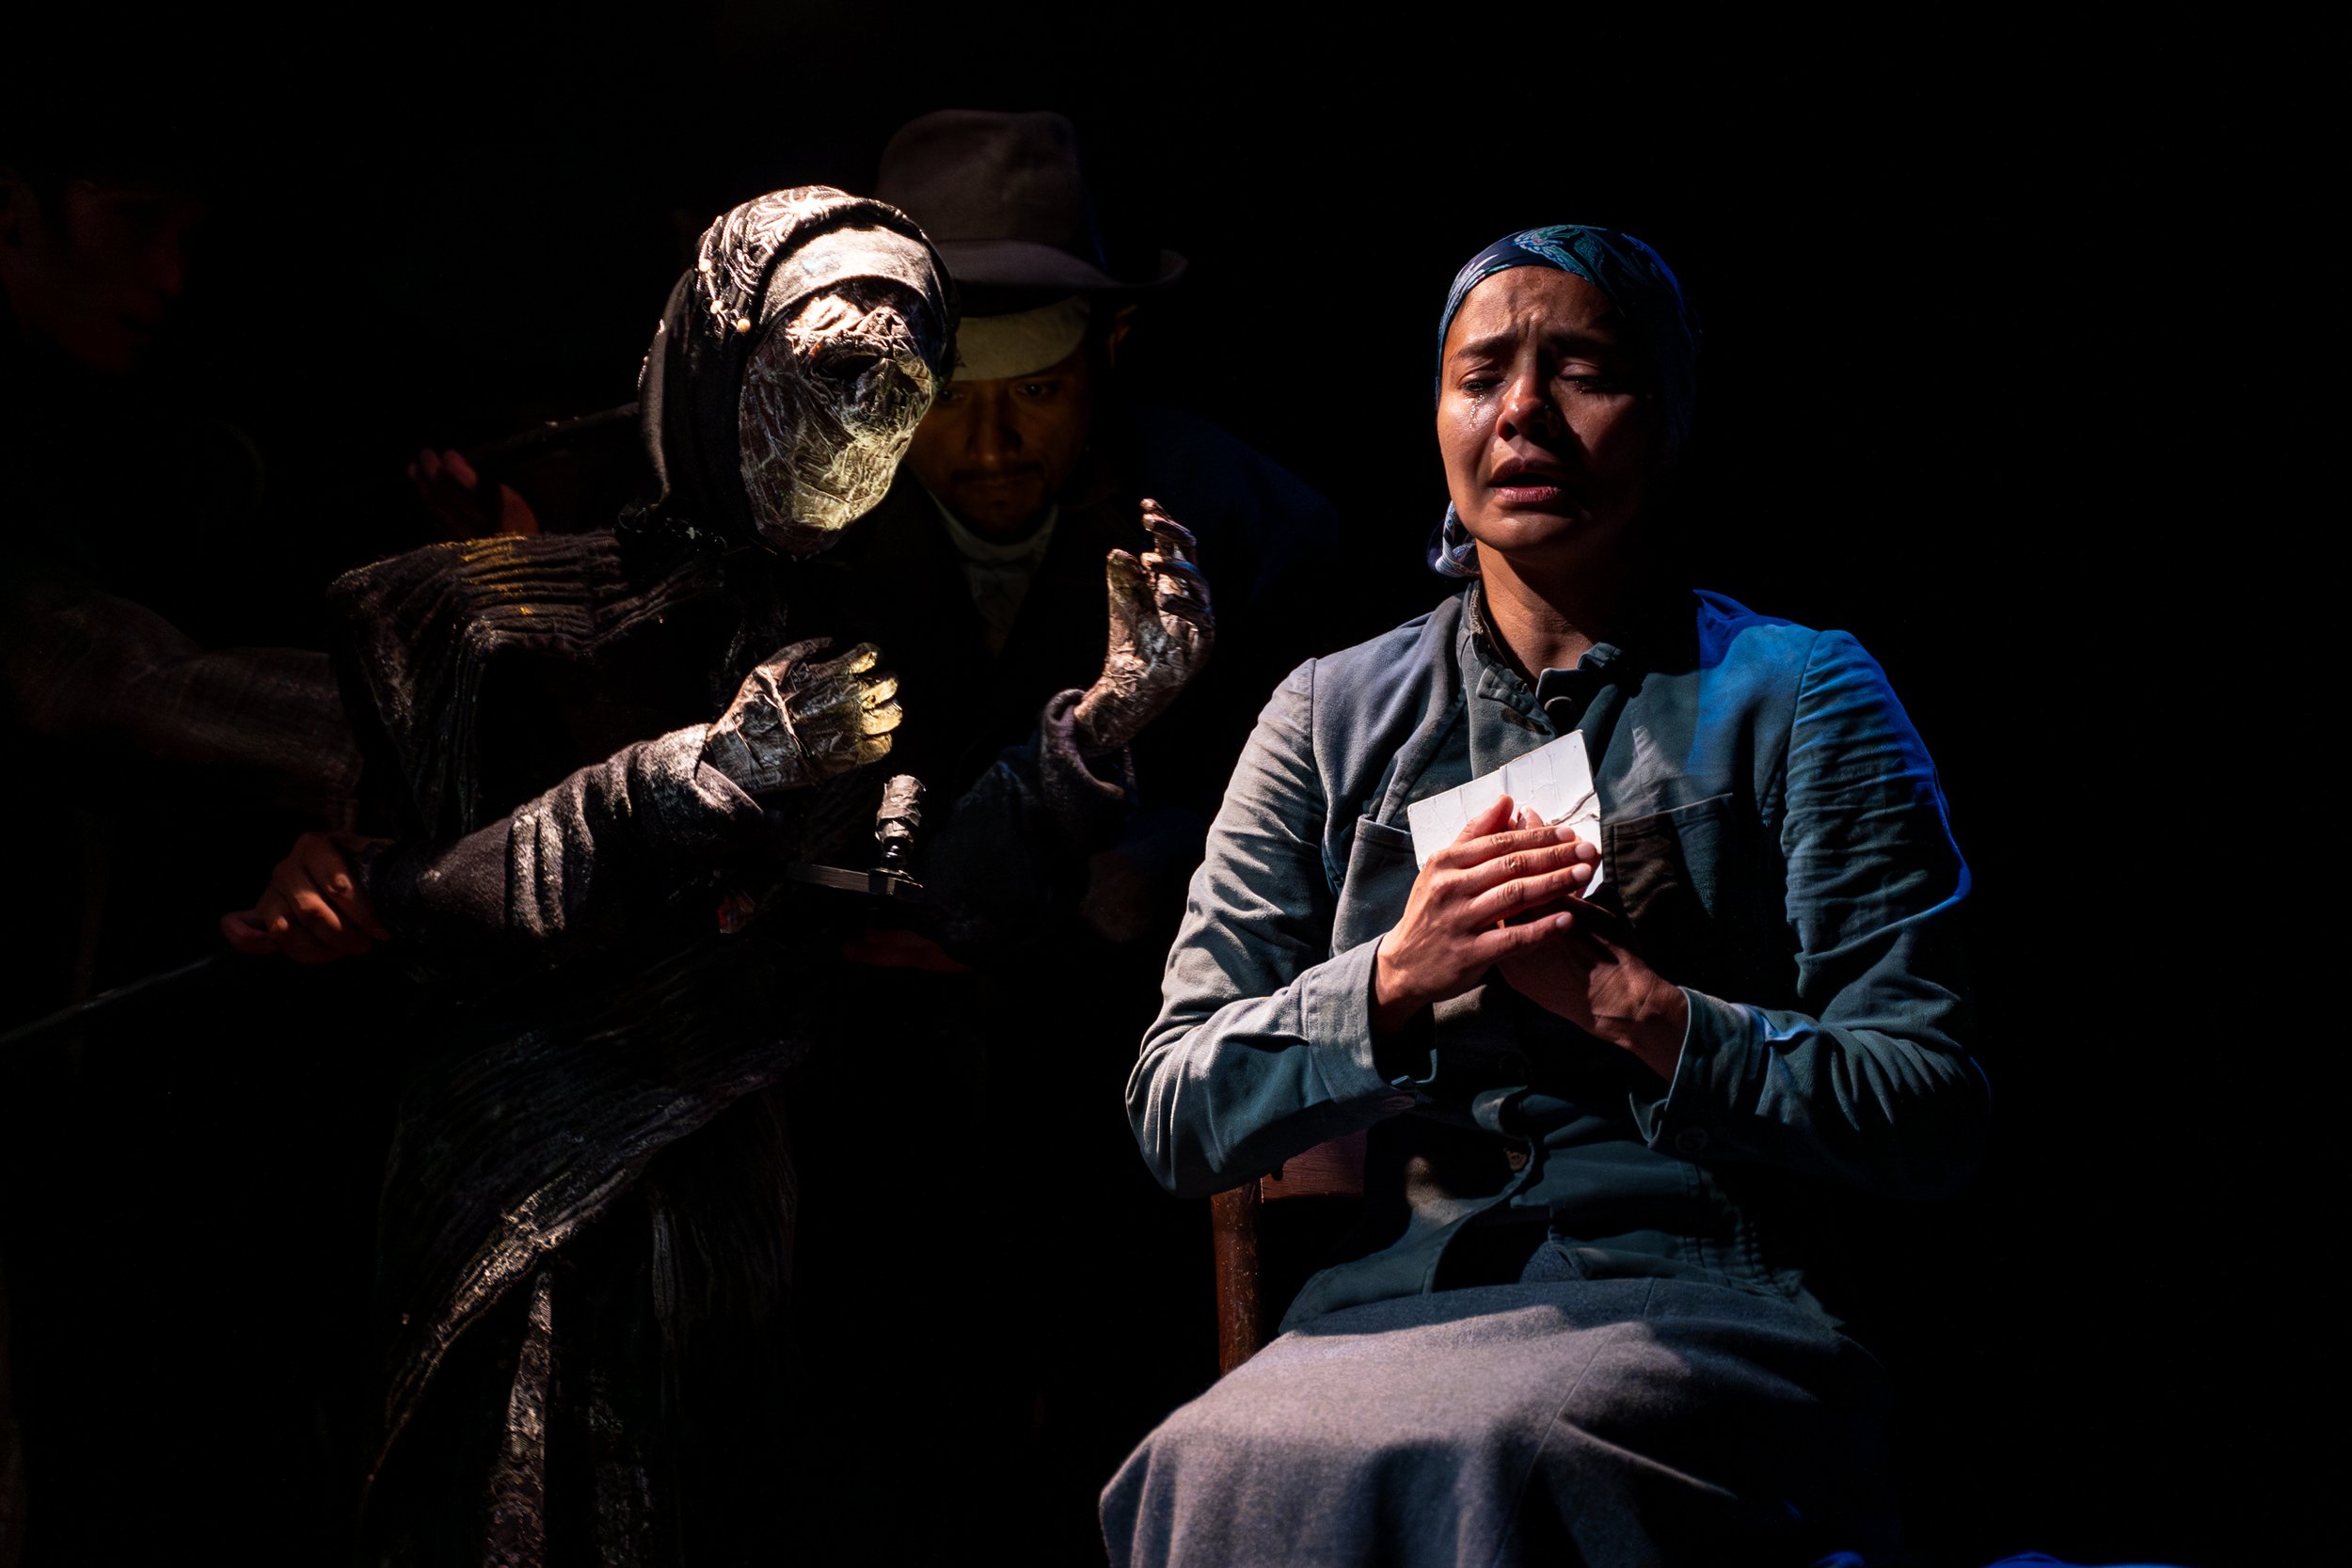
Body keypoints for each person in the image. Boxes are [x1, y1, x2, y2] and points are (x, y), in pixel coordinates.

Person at [223, 185, 1209, 1563]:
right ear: (720, 362)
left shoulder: (845, 623)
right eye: (835, 375)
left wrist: (1099, 725)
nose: (863, 430)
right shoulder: (485, 611)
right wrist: (699, 776)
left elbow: (921, 895)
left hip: (761, 1182)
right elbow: (441, 893)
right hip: (553, 1171)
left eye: (899, 389)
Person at [1107, 226, 1987, 1566]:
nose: (1522, 411)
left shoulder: (1799, 695)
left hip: (1706, 1303)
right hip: (1389, 1308)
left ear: (1667, 412)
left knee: (1524, 1443)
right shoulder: (1327, 718)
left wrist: (1648, 1013)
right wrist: (1393, 980)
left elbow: (1929, 1103)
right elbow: (1175, 1107)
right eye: (1480, 378)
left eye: (1582, 371)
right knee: (1199, 1458)